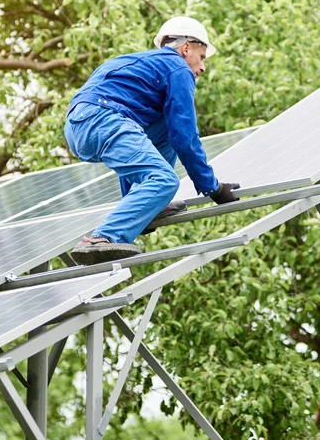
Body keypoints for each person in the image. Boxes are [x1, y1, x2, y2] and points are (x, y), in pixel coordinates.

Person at [64, 16, 240, 266]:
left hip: (79, 126)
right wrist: (213, 187)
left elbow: (160, 135)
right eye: (201, 57)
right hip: (104, 118)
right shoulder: (177, 68)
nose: (202, 68)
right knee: (164, 180)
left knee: (165, 127)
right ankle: (102, 238)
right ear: (186, 48)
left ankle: (149, 205)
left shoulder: (142, 63)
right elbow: (186, 137)